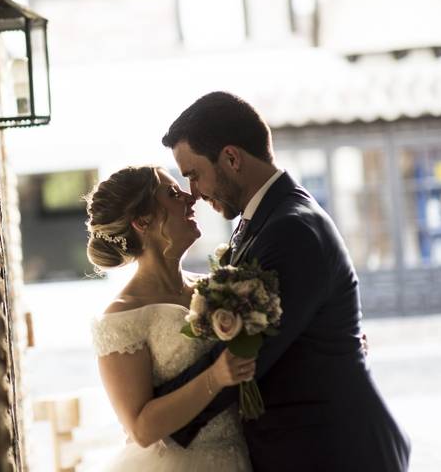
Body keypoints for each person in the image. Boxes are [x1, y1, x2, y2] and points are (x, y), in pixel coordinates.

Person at [157, 91, 410, 471]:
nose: (193, 192)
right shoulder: (263, 221)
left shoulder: (291, 229)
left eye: (194, 174)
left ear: (231, 158)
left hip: (336, 451)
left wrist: (154, 413)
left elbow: (245, 357)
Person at [87, 166, 254, 471]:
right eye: (173, 194)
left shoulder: (215, 286)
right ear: (143, 221)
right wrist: (215, 377)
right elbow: (141, 429)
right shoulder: (121, 318)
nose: (192, 198)